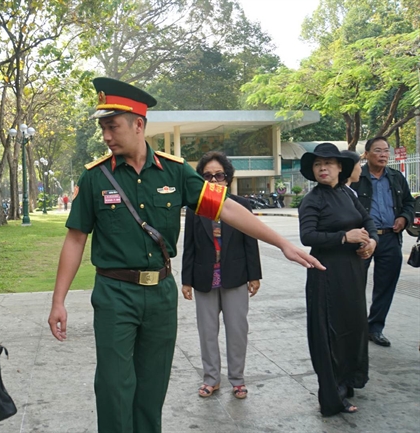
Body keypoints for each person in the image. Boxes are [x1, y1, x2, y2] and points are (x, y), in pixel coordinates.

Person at [47, 77, 324, 433]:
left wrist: (282, 243)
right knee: (115, 386)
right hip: (115, 294)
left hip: (160, 294)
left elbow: (227, 209)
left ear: (138, 125)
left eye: (112, 126)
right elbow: (75, 240)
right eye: (103, 128)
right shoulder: (95, 178)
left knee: (152, 386)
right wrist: (59, 300)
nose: (106, 136)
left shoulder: (175, 172)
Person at [298, 142, 378, 416]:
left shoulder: (347, 192)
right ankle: (332, 396)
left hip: (353, 273)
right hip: (326, 273)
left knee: (354, 327)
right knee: (330, 334)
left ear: (339, 168)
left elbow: (367, 221)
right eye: (318, 164)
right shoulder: (312, 200)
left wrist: (373, 242)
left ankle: (349, 381)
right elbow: (307, 237)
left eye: (328, 163)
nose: (323, 168)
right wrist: (344, 237)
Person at [181, 151, 262, 400]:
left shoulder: (242, 206)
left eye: (219, 175)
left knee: (237, 330)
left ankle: (237, 380)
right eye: (208, 176)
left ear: (227, 178)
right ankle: (211, 379)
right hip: (204, 277)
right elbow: (190, 246)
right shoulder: (196, 209)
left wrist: (254, 275)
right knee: (207, 331)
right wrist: (186, 280)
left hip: (235, 276)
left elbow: (251, 242)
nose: (214, 180)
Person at [351, 136, 415, 347]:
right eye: (378, 151)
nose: (383, 155)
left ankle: (375, 328)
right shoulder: (357, 177)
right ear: (367, 154)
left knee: (385, 286)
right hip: (364, 239)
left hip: (390, 238)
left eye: (386, 151)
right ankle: (355, 329)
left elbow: (409, 202)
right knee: (355, 284)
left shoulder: (396, 177)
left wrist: (404, 218)